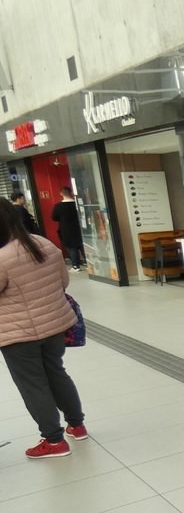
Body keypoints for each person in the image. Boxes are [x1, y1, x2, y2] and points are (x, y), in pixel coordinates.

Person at [0, 201, 87, 458]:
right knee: (57, 374)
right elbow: (63, 281)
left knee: (33, 384)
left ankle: (53, 440)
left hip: (19, 335)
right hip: (54, 326)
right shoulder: (43, 243)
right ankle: (77, 425)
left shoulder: (3, 258)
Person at [51, 187, 84, 271]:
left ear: (61, 194)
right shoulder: (77, 204)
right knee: (82, 245)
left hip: (66, 229)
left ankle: (75, 265)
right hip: (80, 228)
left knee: (72, 247)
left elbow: (54, 217)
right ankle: (88, 262)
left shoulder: (58, 206)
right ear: (71, 193)